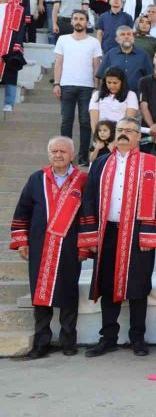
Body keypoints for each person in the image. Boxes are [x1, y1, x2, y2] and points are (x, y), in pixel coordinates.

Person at [78, 117, 156, 358]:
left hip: (138, 232)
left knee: (138, 285)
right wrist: (90, 236)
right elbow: (90, 200)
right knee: (107, 283)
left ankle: (138, 338)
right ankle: (109, 338)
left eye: (130, 130)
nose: (124, 134)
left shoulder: (151, 164)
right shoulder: (102, 163)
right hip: (108, 232)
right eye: (121, 130)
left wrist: (151, 234)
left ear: (139, 136)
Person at [10, 137, 87, 359]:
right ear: (48, 154)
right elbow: (22, 212)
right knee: (40, 294)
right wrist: (22, 241)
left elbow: (88, 216)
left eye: (63, 151)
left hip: (70, 247)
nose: (58, 155)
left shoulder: (82, 180)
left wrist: (85, 245)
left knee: (69, 292)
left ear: (72, 155)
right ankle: (41, 341)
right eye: (54, 151)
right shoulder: (36, 179)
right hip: (40, 246)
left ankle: (68, 340)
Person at [53, 10, 102, 166]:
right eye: (76, 18)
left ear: (87, 22)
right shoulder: (63, 39)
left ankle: (83, 156)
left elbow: (96, 66)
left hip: (87, 87)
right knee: (66, 122)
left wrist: (96, 87)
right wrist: (56, 83)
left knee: (85, 122)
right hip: (66, 85)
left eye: (82, 19)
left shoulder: (94, 42)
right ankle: (66, 156)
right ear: (72, 22)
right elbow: (59, 63)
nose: (78, 21)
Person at [0, 0, 29, 112]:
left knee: (10, 71)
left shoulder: (17, 8)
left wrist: (17, 45)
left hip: (9, 42)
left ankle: (9, 103)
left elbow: (20, 28)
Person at [95, 26, 153, 94]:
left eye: (129, 34)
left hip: (136, 96)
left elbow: (150, 78)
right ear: (117, 39)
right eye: (122, 34)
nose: (126, 37)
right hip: (114, 97)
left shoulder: (143, 55)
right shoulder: (110, 54)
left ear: (133, 38)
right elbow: (102, 76)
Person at [89, 66, 139, 132]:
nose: (112, 86)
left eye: (115, 83)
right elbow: (94, 122)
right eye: (109, 82)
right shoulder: (96, 95)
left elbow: (128, 120)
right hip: (102, 135)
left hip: (121, 134)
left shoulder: (131, 95)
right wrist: (97, 138)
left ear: (122, 82)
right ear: (105, 82)